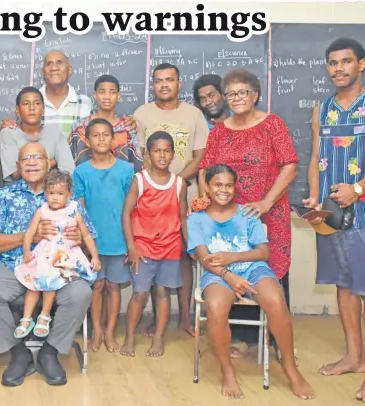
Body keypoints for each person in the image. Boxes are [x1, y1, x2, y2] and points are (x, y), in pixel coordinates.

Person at [304, 38, 365, 404]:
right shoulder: (321, 110)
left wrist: (358, 187)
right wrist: (315, 197)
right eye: (332, 63)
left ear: (362, 64)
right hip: (330, 216)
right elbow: (315, 158)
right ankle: (354, 357)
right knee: (343, 287)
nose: (339, 68)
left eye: (346, 61)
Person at [197, 68, 299, 361]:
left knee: (273, 273)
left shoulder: (272, 124)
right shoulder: (220, 130)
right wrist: (209, 203)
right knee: (235, 268)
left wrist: (267, 202)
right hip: (229, 217)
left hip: (269, 212)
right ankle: (244, 337)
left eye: (243, 92)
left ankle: (279, 343)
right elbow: (207, 169)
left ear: (255, 95)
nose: (237, 98)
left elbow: (289, 165)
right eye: (231, 93)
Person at [0, 142, 96, 387]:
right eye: (24, 159)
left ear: (49, 161)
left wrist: (79, 240)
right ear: (17, 166)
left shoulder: (67, 197)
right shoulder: (4, 194)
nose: (31, 162)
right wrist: (29, 237)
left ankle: (50, 352)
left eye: (37, 157)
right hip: (13, 265)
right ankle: (18, 353)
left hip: (59, 270)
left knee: (82, 293)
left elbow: (89, 237)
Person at [188, 164, 314, 400]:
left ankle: (291, 370)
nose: (223, 190)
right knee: (215, 307)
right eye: (217, 185)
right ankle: (227, 371)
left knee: (276, 299)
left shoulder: (247, 213)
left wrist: (233, 257)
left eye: (228, 185)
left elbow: (263, 252)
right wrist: (229, 275)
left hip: (253, 269)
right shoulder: (196, 219)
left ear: (235, 188)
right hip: (217, 274)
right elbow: (205, 257)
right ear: (207, 186)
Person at [133, 63, 209, 337]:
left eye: (170, 80)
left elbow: (201, 157)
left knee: (184, 256)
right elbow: (140, 156)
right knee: (155, 252)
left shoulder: (194, 115)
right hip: (151, 195)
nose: (164, 85)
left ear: (179, 83)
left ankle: (186, 318)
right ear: (153, 84)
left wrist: (175, 182)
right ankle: (157, 317)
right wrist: (159, 184)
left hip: (185, 190)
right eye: (158, 81)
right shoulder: (141, 114)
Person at [120, 131, 188, 357]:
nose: (162, 155)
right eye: (157, 150)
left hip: (170, 248)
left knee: (162, 292)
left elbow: (183, 217)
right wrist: (131, 246)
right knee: (139, 293)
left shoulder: (179, 184)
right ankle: (129, 336)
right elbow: (126, 213)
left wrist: (191, 245)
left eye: (167, 150)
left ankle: (158, 338)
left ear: (173, 154)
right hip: (143, 248)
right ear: (147, 154)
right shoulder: (139, 180)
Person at [14, 170, 100, 339]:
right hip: (44, 254)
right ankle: (26, 318)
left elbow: (87, 235)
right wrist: (26, 251)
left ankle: (44, 315)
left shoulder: (74, 211)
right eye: (51, 193)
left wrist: (94, 256)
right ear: (45, 192)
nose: (54, 197)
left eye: (60, 194)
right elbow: (30, 232)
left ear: (69, 194)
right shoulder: (42, 210)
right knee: (34, 283)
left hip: (63, 256)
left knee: (49, 280)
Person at [73, 118, 134, 353]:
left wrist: (131, 242)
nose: (101, 139)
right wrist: (85, 242)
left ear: (113, 139)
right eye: (95, 135)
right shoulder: (81, 171)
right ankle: (96, 330)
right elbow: (80, 208)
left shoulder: (126, 169)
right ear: (87, 141)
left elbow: (131, 207)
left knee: (114, 287)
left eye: (106, 134)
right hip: (94, 242)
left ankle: (110, 332)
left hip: (119, 239)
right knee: (96, 286)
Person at [0, 86, 75, 183]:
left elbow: (68, 171)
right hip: (19, 193)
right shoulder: (8, 134)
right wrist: (53, 161)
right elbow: (15, 175)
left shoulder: (54, 133)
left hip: (51, 191)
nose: (32, 108)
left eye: (37, 103)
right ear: (17, 110)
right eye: (26, 104)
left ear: (43, 109)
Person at [69, 75, 142, 171]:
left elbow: (137, 164)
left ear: (118, 95)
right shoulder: (79, 127)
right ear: (95, 95)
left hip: (120, 183)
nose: (107, 97)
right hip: (84, 183)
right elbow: (68, 161)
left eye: (112, 92)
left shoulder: (127, 127)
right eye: (102, 92)